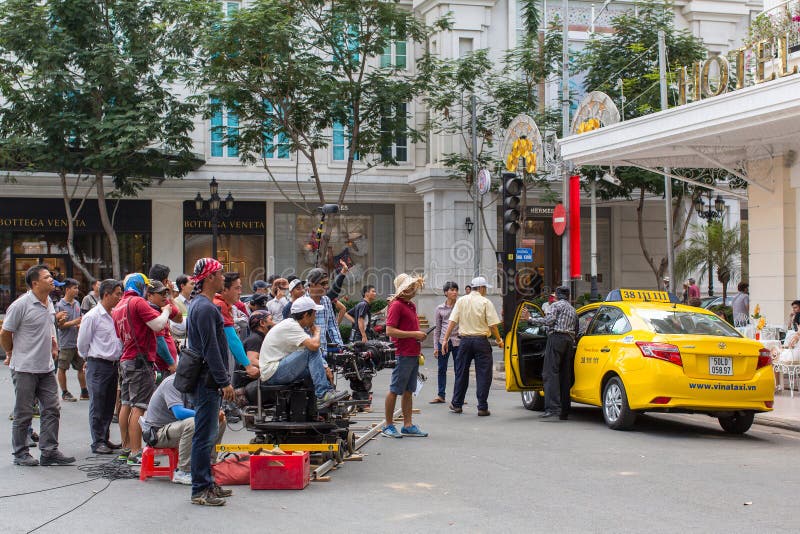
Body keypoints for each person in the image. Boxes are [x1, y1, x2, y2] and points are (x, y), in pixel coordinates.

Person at [1, 265, 76, 466]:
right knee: (24, 413)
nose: (52, 279)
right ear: (35, 283)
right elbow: (5, 333)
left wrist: (54, 340)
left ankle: (49, 451)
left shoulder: (49, 302)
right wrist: (10, 352)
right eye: (47, 277)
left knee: (52, 409)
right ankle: (20, 453)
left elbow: (48, 324)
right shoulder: (20, 305)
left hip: (46, 367)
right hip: (25, 367)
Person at [186, 258, 235, 507]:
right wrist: (224, 381)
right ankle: (200, 488)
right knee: (204, 436)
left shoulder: (199, 305)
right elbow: (211, 349)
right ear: (209, 278)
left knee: (207, 434)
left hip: (204, 379)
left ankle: (207, 483)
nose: (223, 277)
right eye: (219, 273)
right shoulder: (205, 308)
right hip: (206, 380)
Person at [112, 273, 172, 465]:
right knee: (139, 406)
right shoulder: (137, 302)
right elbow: (157, 325)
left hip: (126, 358)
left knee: (126, 403)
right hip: (140, 360)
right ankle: (136, 452)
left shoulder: (118, 306)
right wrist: (167, 311)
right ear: (140, 286)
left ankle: (126, 447)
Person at [245, 296, 346, 408]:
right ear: (306, 315)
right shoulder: (291, 326)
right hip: (272, 373)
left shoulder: (293, 325)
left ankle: (316, 402)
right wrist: (317, 332)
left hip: (275, 370)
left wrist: (324, 367)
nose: (315, 317)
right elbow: (314, 346)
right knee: (311, 350)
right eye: (314, 313)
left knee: (313, 368)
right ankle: (323, 394)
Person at [140, 374, 227, 486]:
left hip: (175, 428)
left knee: (220, 421)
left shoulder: (196, 384)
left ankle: (208, 464)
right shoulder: (172, 383)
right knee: (194, 422)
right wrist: (209, 413)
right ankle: (183, 471)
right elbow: (179, 413)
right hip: (158, 434)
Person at [443, 276, 503, 417]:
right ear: (481, 288)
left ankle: (457, 404)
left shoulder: (462, 301)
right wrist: (499, 340)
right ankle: (482, 407)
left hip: (464, 341)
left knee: (461, 372)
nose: (486, 291)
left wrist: (445, 339)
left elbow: (452, 321)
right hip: (481, 341)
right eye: (485, 288)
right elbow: (492, 326)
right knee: (483, 374)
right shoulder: (485, 302)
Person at [77, 279, 123, 454]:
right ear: (106, 295)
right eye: (117, 294)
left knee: (109, 402)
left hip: (113, 364)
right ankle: (97, 441)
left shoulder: (116, 314)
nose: (120, 297)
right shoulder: (92, 316)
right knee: (98, 402)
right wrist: (88, 358)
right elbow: (82, 343)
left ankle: (105, 437)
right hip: (98, 363)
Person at [381, 273, 429, 438]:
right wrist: (415, 334)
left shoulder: (410, 305)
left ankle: (407, 425)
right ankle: (388, 425)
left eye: (413, 286)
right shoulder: (396, 305)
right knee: (395, 389)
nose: (413, 288)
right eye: (410, 286)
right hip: (401, 353)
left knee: (409, 390)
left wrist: (416, 342)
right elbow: (390, 331)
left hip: (412, 352)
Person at [526, 285, 578, 421]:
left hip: (556, 339)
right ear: (568, 296)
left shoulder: (555, 306)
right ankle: (564, 410)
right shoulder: (573, 309)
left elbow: (549, 321)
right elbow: (576, 328)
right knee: (564, 375)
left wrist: (530, 320)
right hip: (569, 341)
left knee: (549, 373)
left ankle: (552, 408)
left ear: (558, 295)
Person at [55, 278, 88, 401]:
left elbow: (79, 319)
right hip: (65, 343)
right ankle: (64, 392)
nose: (77, 290)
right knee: (62, 368)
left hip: (77, 342)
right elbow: (58, 325)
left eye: (77, 288)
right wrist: (74, 322)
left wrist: (80, 324)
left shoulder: (77, 303)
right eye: (75, 288)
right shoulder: (59, 306)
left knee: (81, 367)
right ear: (67, 289)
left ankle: (84, 391)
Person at [430, 281, 459, 405]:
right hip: (444, 342)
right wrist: (436, 347)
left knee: (460, 370)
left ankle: (459, 396)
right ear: (446, 292)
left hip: (458, 341)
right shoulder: (439, 309)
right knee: (442, 369)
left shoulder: (460, 306)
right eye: (452, 290)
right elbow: (437, 329)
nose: (454, 292)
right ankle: (441, 395)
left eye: (456, 290)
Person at [145, 281, 179, 381]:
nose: (164, 297)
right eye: (161, 294)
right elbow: (159, 342)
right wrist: (171, 363)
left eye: (165, 293)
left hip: (165, 367)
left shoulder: (159, 310)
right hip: (161, 368)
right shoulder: (153, 312)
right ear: (150, 296)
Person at [235, 310, 272, 389]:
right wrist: (274, 367)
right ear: (262, 323)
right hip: (245, 388)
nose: (274, 323)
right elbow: (252, 360)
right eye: (271, 320)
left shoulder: (260, 337)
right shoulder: (255, 339)